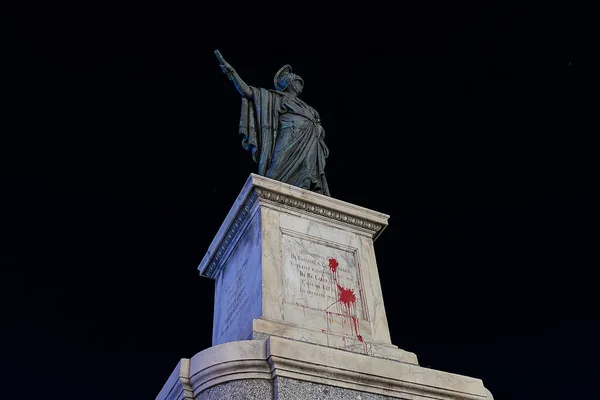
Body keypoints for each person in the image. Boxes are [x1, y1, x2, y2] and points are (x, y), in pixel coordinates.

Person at [216, 52, 330, 196]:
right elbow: (248, 92)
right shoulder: (275, 97)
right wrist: (233, 74)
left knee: (307, 169)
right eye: (295, 80)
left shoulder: (308, 108)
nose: (298, 84)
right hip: (289, 133)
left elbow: (319, 126)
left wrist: (318, 129)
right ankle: (269, 191)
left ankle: (304, 192)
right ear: (288, 83)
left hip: (308, 142)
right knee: (278, 162)